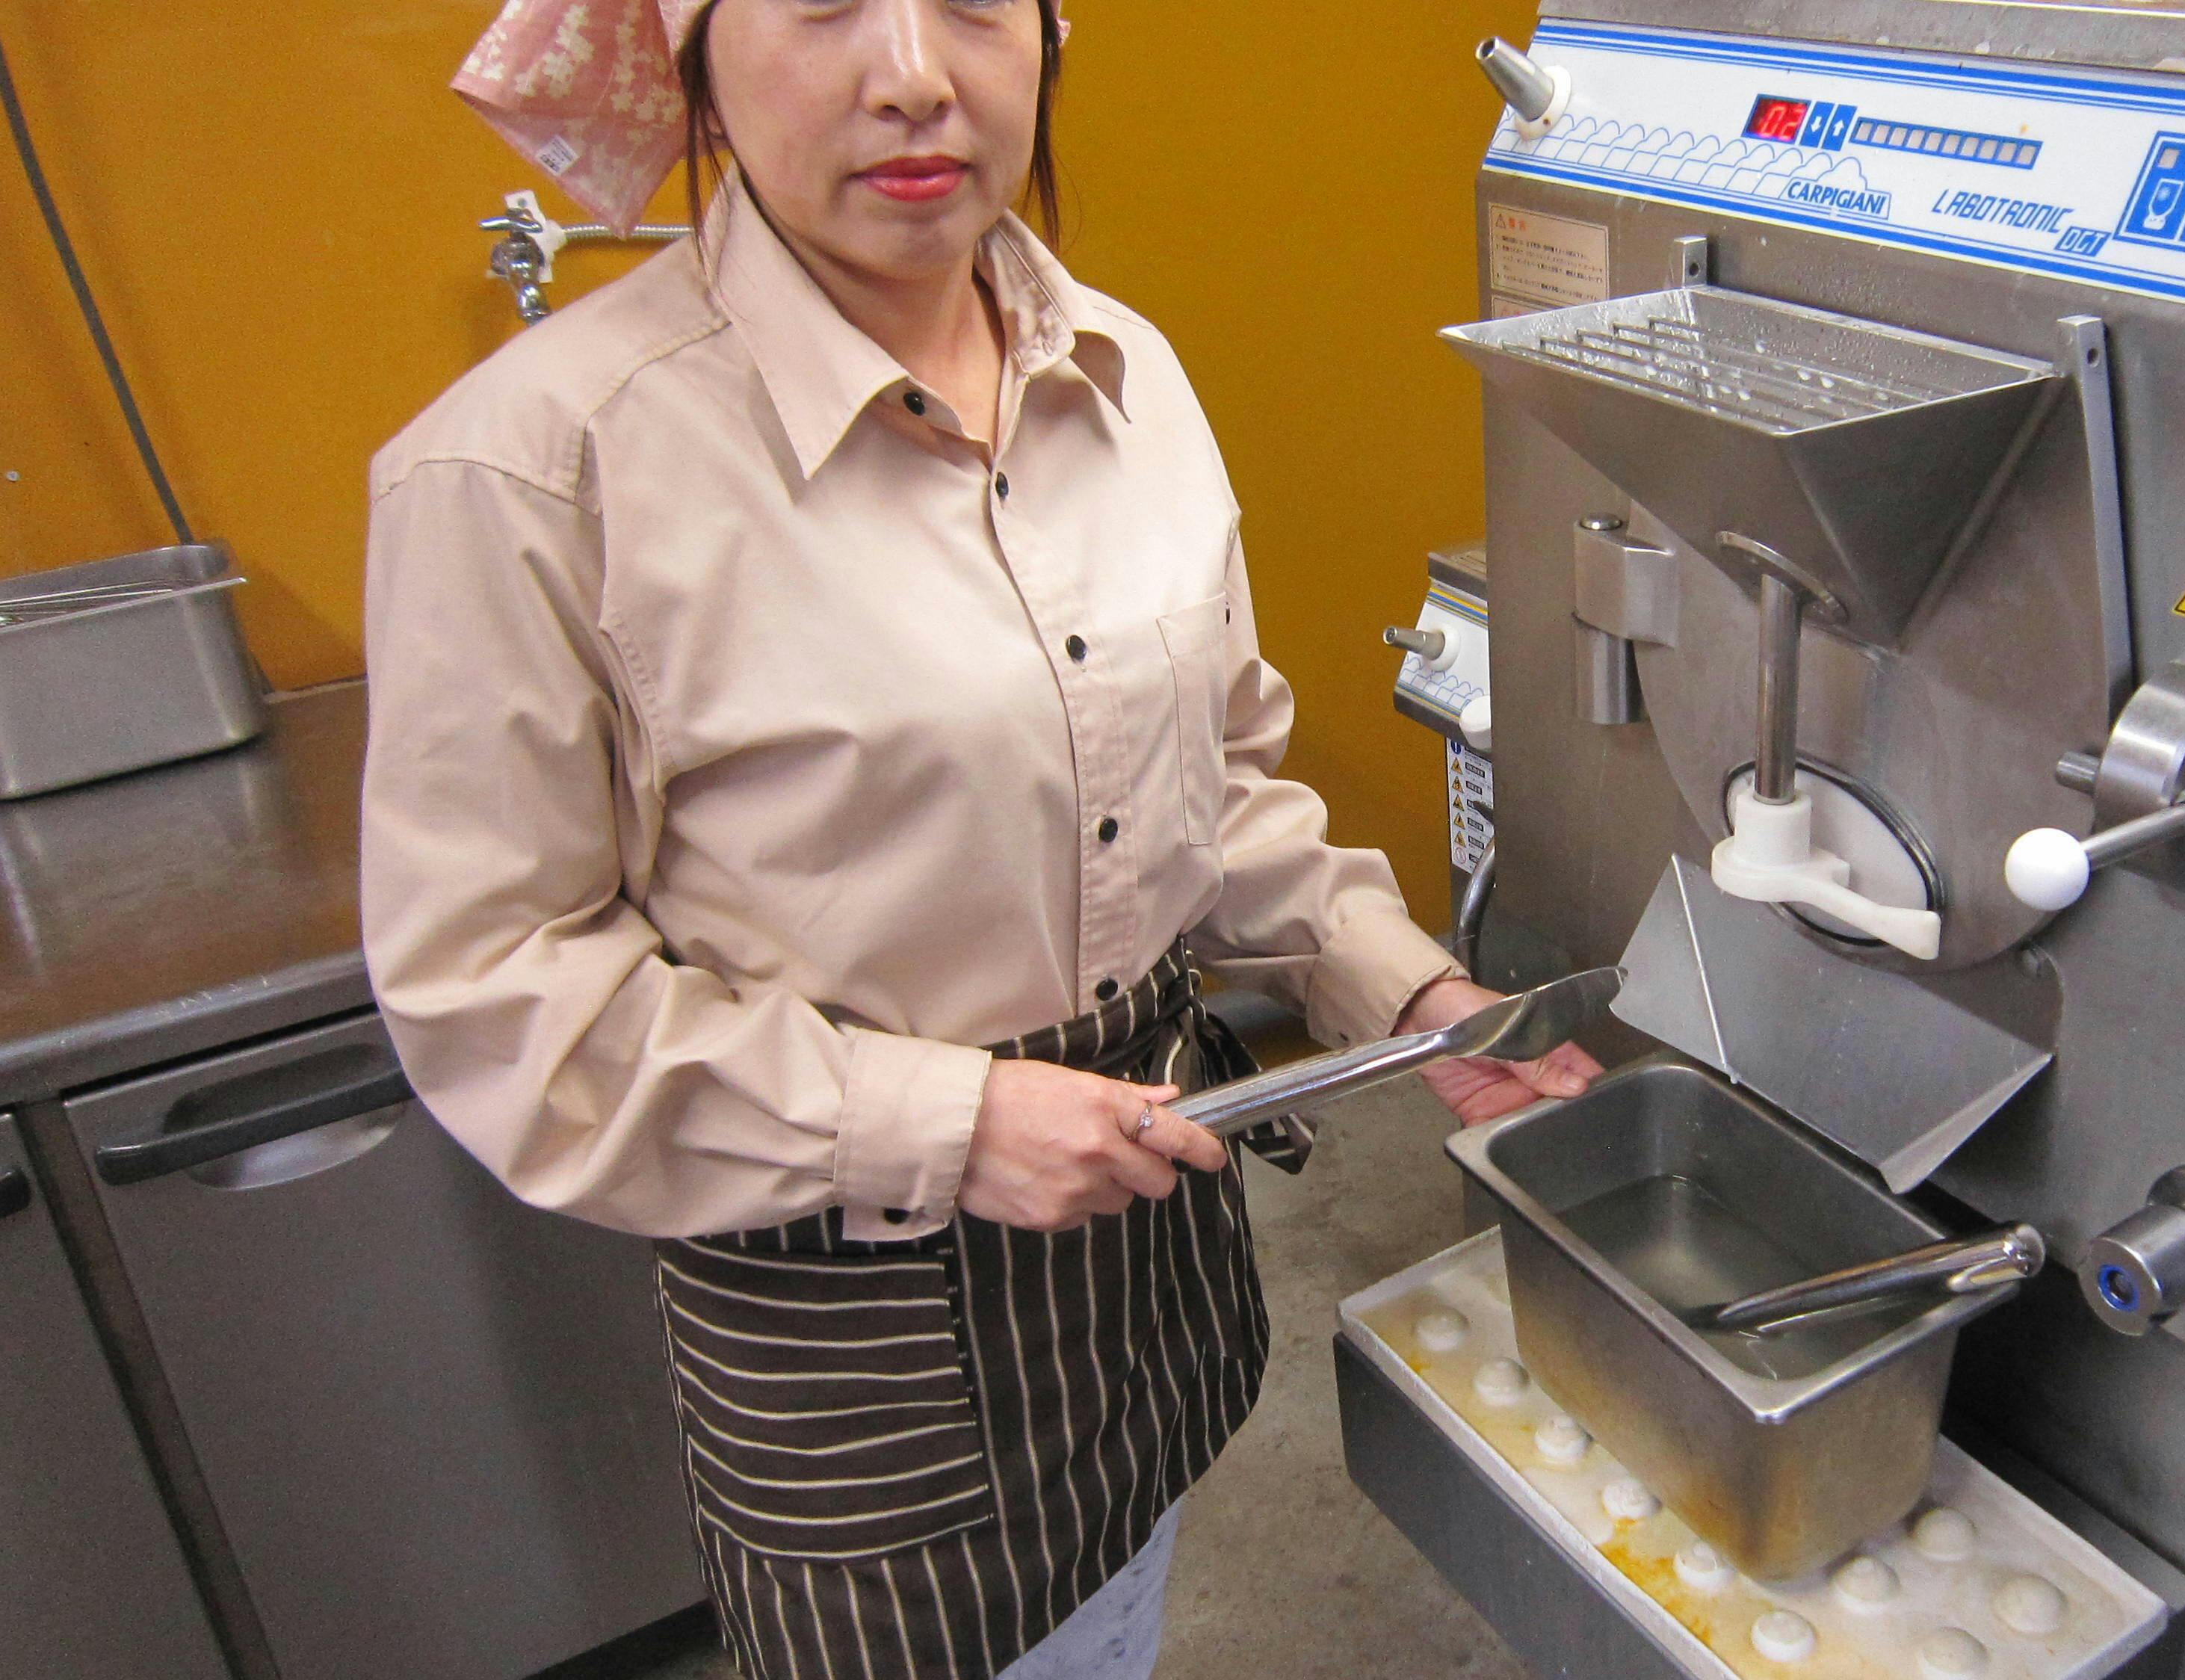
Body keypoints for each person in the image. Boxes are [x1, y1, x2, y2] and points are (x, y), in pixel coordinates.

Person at [360, 4, 1599, 1676]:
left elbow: (1213, 791)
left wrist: (1416, 1000)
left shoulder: (1125, 373)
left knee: (1117, 1624)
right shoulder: (527, 469)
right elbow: (496, 994)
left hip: (1149, 1261)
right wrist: (946, 1126)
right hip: (852, 1333)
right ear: (694, 53)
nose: (913, 77)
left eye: (971, 3)